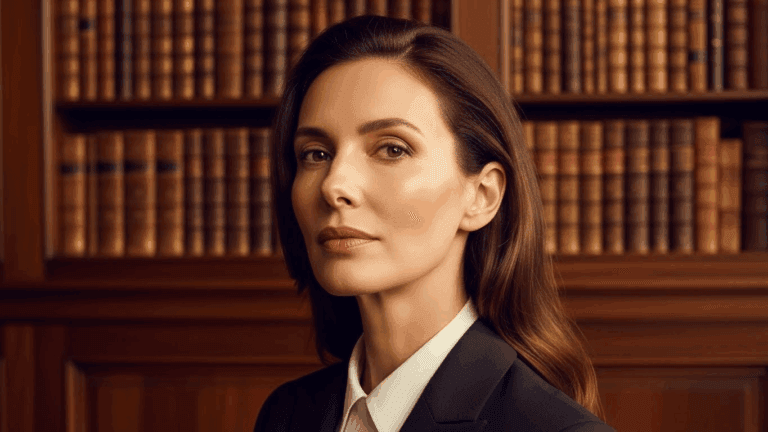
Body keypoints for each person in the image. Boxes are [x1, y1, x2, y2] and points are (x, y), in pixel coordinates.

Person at [254, 14, 616, 432]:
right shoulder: (286, 415)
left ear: (482, 196)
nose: (334, 185)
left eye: (392, 149)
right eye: (315, 154)